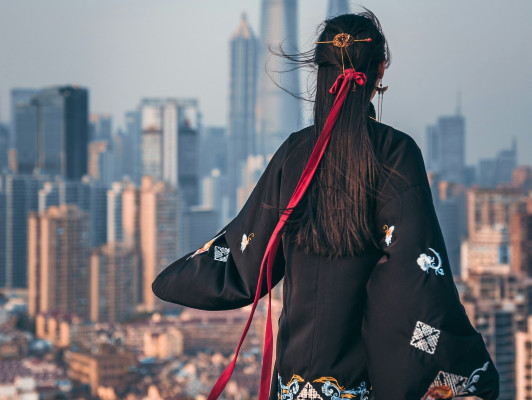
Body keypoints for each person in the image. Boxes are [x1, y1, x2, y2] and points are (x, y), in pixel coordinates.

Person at [152, 10, 500, 400]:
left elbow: (244, 255)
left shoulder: (294, 153)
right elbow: (416, 274)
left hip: (295, 381)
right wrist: (458, 369)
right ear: (379, 71)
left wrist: (173, 278)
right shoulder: (395, 154)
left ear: (321, 74)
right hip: (358, 381)